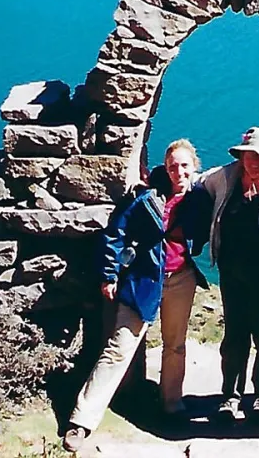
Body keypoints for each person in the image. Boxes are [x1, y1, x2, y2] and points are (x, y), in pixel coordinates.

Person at [62, 139, 210, 452]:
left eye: (184, 165)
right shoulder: (146, 198)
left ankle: (172, 405)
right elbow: (116, 231)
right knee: (118, 348)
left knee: (175, 346)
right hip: (143, 280)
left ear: (194, 167)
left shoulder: (201, 197)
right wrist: (109, 273)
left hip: (181, 279)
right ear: (165, 167)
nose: (178, 172)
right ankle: (82, 419)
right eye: (172, 166)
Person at [192, 126, 259, 420]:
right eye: (249, 155)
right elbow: (196, 183)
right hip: (232, 274)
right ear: (241, 156)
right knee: (234, 335)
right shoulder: (224, 178)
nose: (254, 161)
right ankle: (230, 395)